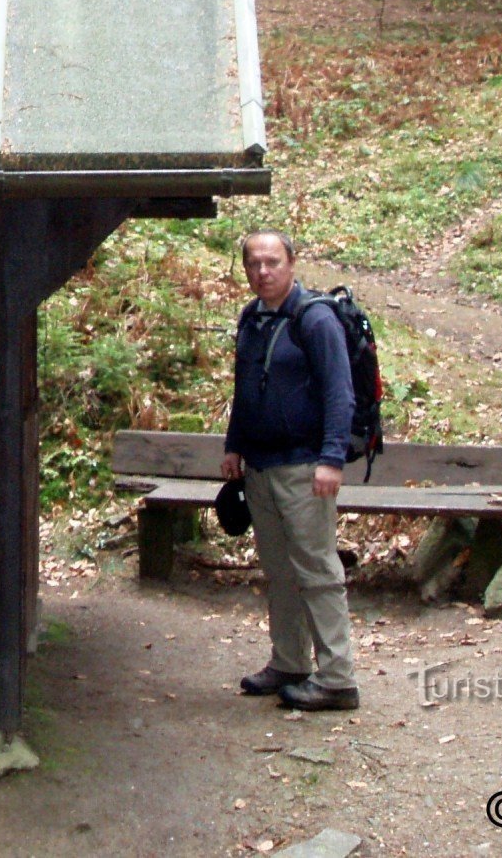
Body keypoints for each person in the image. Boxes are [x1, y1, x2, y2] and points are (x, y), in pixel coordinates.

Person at [221, 229, 360, 711]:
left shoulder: (315, 320)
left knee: (318, 570)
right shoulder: (252, 319)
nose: (263, 271)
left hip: (305, 467)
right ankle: (289, 662)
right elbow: (245, 387)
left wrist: (331, 459)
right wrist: (234, 446)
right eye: (254, 264)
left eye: (272, 262)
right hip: (260, 466)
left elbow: (340, 394)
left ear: (292, 263)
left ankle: (338, 677)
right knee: (279, 570)